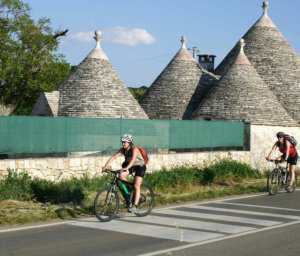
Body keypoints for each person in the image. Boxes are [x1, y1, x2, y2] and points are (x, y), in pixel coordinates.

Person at [102, 134, 147, 214]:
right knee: (121, 175)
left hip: (140, 166)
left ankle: (135, 206)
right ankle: (129, 189)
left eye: (125, 142)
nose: (123, 144)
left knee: (136, 185)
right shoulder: (122, 149)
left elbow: (133, 160)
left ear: (129, 142)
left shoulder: (134, 149)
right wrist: (105, 166)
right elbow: (113, 157)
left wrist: (126, 168)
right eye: (122, 142)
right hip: (132, 166)